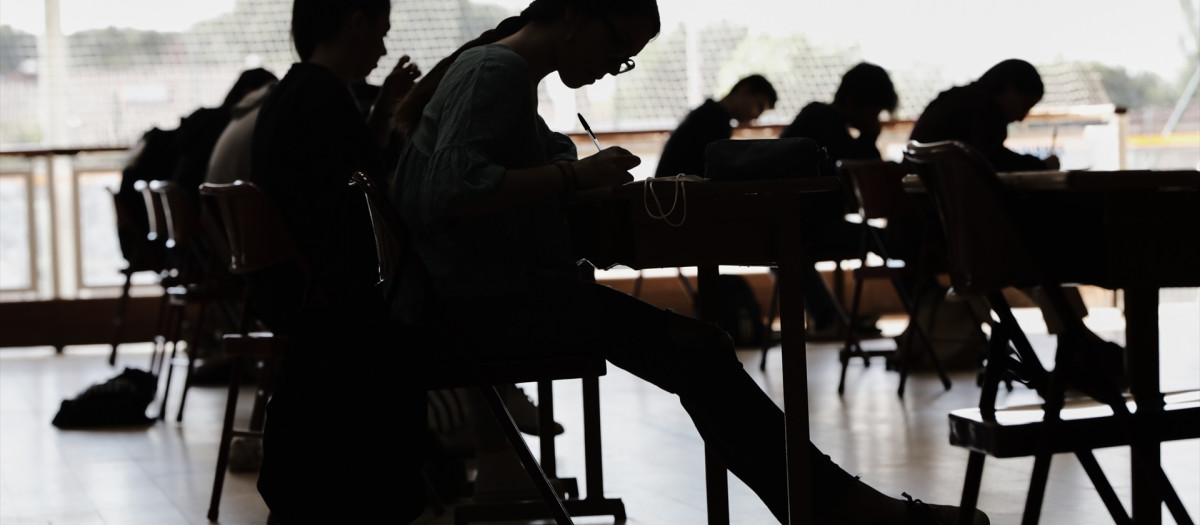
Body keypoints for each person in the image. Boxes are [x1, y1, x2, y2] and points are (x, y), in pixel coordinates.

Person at [389, 1, 988, 524]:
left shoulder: (502, 73)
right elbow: (450, 189)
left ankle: (829, 505)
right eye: (619, 45)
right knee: (698, 350)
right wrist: (575, 174)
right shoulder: (496, 69)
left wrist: (567, 176)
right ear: (572, 15)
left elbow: (482, 185)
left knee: (699, 350)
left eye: (627, 58)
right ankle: (836, 507)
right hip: (479, 313)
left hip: (474, 303)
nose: (615, 63)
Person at [245, 0, 427, 522]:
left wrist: (379, 114)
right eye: (382, 30)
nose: (385, 47)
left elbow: (338, 181)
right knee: (428, 317)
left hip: (293, 297)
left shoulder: (291, 94)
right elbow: (374, 197)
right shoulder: (324, 99)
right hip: (330, 311)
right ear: (356, 22)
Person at [777, 62, 901, 340]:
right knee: (892, 241)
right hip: (805, 230)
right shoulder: (822, 121)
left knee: (884, 239)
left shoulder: (820, 119)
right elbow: (863, 181)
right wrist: (869, 136)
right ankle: (926, 311)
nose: (876, 117)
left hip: (799, 227)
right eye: (874, 110)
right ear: (855, 102)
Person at [910, 58, 1059, 172]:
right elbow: (993, 162)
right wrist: (1042, 166)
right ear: (1009, 89)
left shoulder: (959, 99)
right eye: (1024, 107)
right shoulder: (983, 109)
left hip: (928, 202)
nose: (1021, 118)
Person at [653, 73, 777, 179]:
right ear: (745, 89)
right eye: (759, 106)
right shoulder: (714, 120)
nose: (756, 117)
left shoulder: (708, 113)